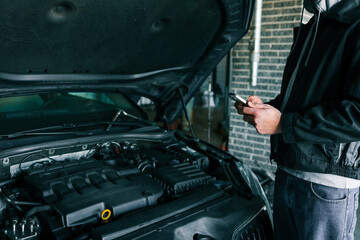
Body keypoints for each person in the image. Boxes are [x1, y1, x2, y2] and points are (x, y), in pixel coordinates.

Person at [234, 0, 360, 239]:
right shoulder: (316, 24)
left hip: (327, 185)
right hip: (288, 169)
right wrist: (268, 109)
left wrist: (284, 124)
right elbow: (304, 98)